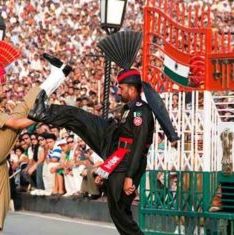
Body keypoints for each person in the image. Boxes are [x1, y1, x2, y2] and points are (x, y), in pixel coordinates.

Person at [28, 69, 156, 235]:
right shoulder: (128, 108)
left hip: (128, 160)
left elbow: (138, 145)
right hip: (116, 149)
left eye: (122, 88)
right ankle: (44, 112)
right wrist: (104, 172)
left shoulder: (141, 111)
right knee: (81, 119)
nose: (118, 91)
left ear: (132, 89)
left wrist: (130, 176)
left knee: (118, 209)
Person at [0, 51, 72, 235]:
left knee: (2, 194)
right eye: (0, 84)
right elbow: (15, 124)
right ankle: (58, 74)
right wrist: (39, 117)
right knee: (23, 109)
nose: (3, 88)